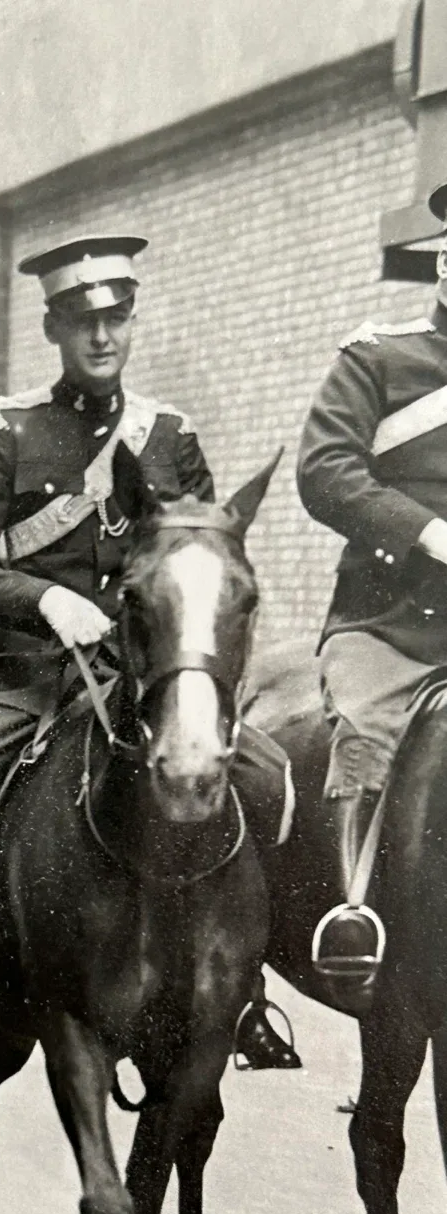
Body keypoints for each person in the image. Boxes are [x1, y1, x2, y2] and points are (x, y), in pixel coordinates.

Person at [0, 233, 299, 1066]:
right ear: (53, 329)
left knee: (261, 777)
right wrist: (47, 600)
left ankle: (244, 988)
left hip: (142, 676)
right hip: (28, 673)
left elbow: (205, 557)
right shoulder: (8, 431)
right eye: (83, 321)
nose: (103, 336)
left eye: (116, 318)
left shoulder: (170, 437)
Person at [297, 179, 447, 982]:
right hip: (389, 622)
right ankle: (351, 910)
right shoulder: (378, 358)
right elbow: (324, 471)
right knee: (360, 736)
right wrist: (428, 533)